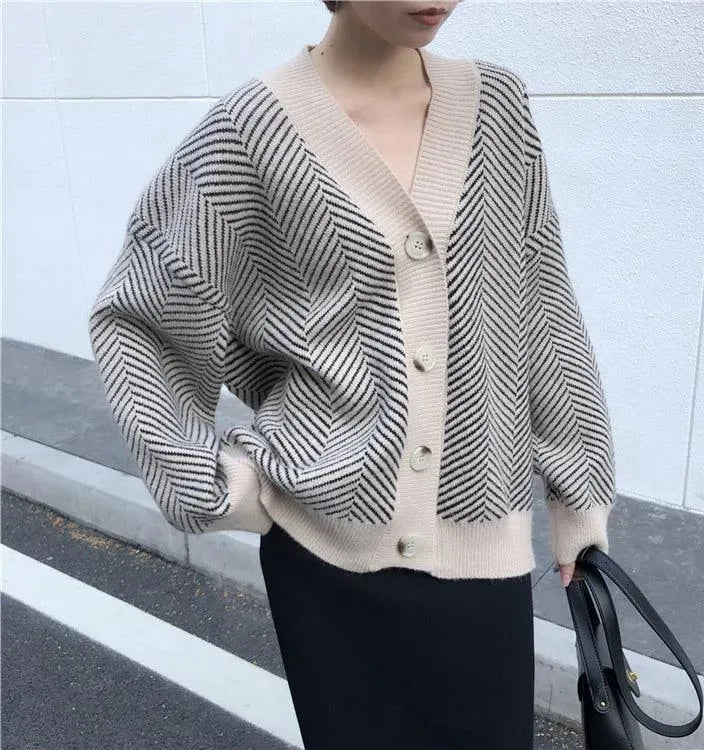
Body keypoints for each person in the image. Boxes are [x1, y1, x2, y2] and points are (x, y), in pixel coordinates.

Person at [88, 1, 617, 748]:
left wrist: (579, 492)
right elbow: (141, 317)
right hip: (323, 561)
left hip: (482, 550)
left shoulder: (498, 107)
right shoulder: (250, 132)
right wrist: (209, 483)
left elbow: (541, 303)